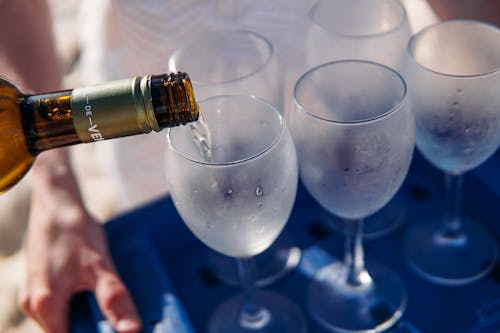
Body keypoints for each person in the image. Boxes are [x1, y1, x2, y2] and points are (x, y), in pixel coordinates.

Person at [0, 1, 497, 333]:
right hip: (149, 94)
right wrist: (55, 184)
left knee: (325, 175)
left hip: (332, 62)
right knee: (207, 211)